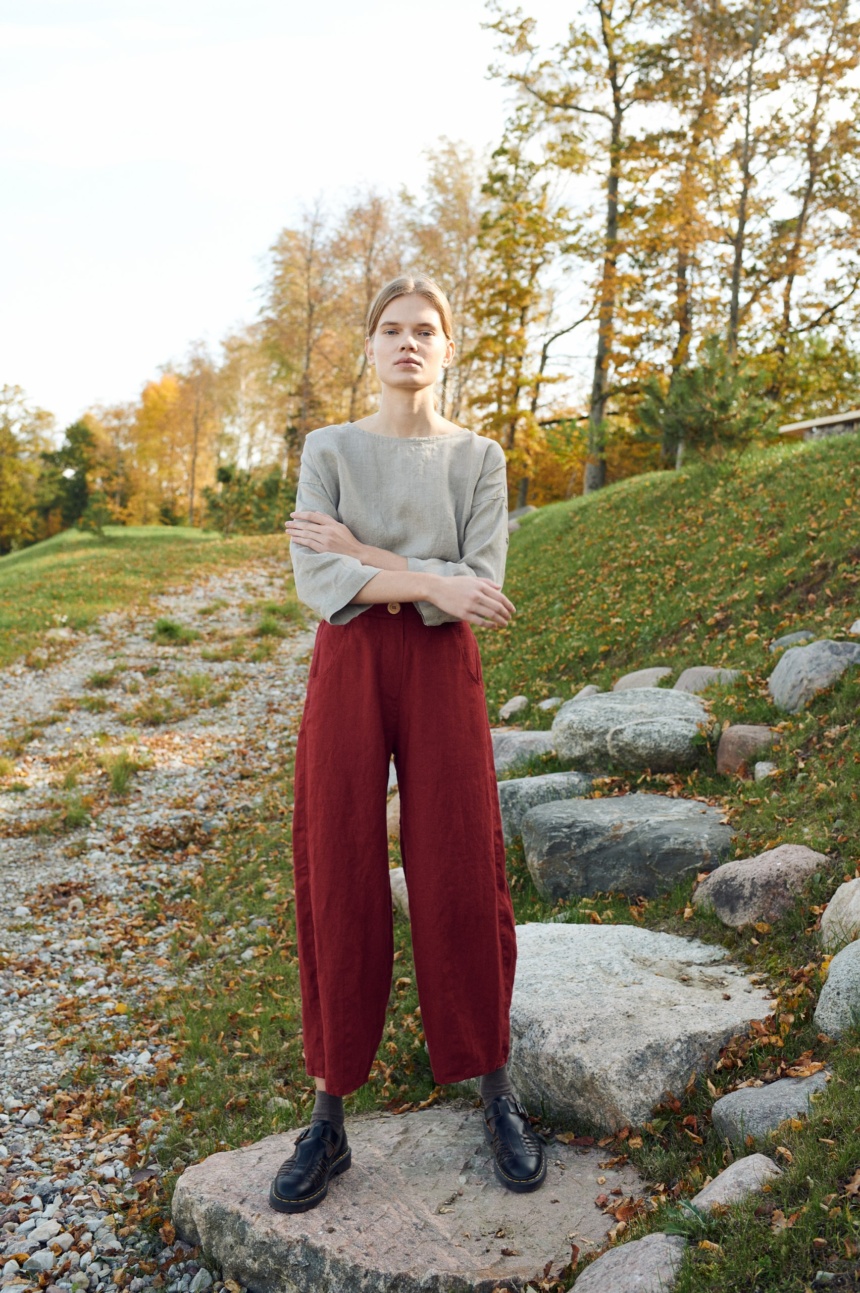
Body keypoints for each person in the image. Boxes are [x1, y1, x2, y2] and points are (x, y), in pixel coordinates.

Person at [269, 273, 546, 1215]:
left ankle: (494, 1088)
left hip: (440, 671)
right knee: (337, 865)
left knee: (461, 864)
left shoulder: (479, 456)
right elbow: (319, 573)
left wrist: (371, 555)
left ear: (448, 346)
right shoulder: (329, 448)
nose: (408, 343)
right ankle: (329, 1112)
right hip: (347, 661)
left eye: (426, 329)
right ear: (370, 346)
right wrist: (421, 579)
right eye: (391, 329)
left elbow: (483, 583)